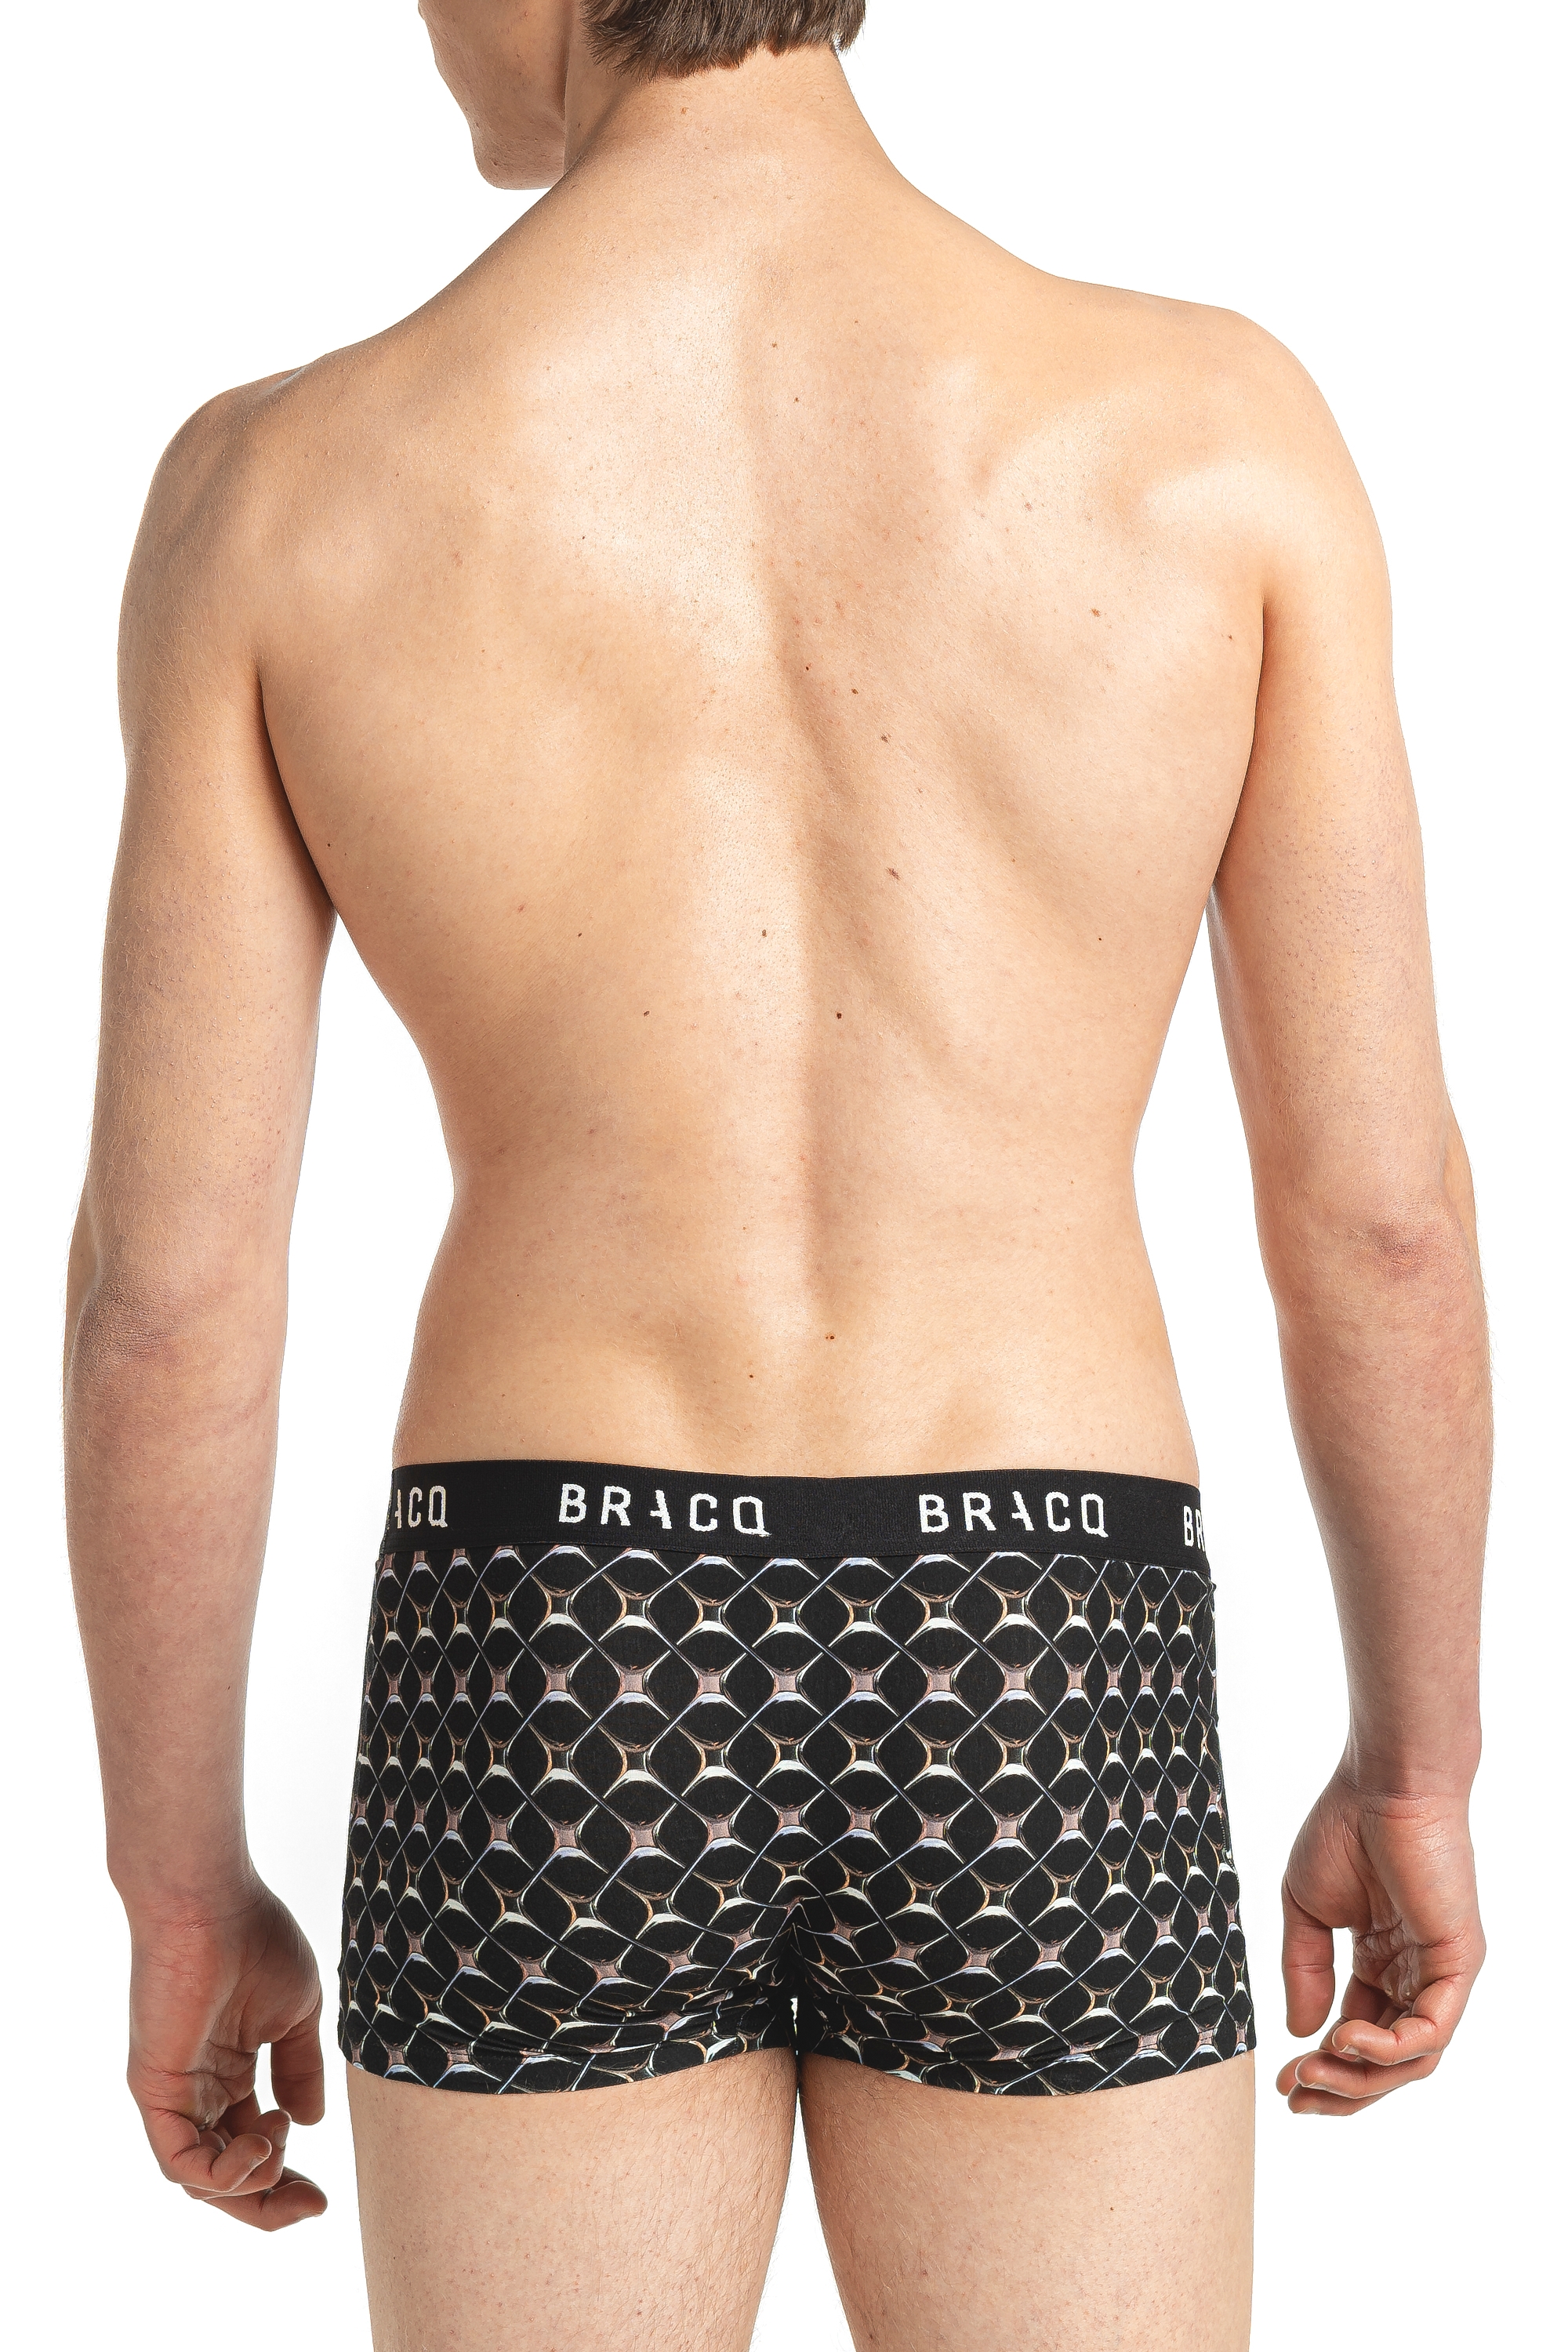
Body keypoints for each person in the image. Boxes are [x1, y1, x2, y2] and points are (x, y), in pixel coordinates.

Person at [63, 2, 1490, 2345]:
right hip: (1048, 1637)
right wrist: (1418, 1760)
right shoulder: (1216, 439)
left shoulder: (283, 485)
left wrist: (172, 1871)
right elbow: (1379, 1222)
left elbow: (170, 1296)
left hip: (551, 1639)